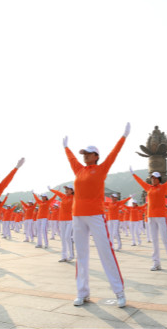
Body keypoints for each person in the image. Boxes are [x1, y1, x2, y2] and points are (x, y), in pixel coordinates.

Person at [63, 123, 130, 308]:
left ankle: (119, 292)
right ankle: (82, 292)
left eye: (88, 153)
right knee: (81, 254)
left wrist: (123, 137)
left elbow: (114, 154)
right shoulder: (79, 169)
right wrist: (66, 148)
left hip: (95, 215)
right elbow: (71, 160)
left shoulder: (101, 169)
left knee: (105, 252)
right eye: (83, 153)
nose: (84, 156)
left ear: (96, 156)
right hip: (77, 216)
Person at [130, 161, 167, 272]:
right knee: (154, 241)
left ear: (159, 179)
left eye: (155, 178)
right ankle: (156, 263)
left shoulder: (164, 187)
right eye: (152, 178)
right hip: (150, 217)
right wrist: (133, 174)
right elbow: (140, 181)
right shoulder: (148, 188)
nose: (153, 179)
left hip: (161, 217)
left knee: (165, 240)